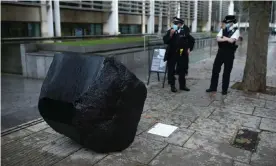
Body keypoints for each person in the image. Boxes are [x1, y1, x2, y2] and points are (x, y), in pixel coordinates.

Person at [206, 15, 240, 95]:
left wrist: (224, 38)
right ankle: (213, 87)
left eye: (227, 22)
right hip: (220, 52)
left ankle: (224, 90)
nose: (226, 24)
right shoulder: (223, 29)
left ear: (231, 22)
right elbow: (217, 38)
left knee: (226, 72)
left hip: (229, 54)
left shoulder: (236, 30)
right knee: (215, 70)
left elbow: (232, 41)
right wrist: (226, 39)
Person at [163, 17, 195, 92]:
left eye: (176, 24)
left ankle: (182, 85)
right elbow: (165, 40)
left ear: (180, 24)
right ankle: (172, 85)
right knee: (171, 69)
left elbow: (192, 40)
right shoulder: (171, 31)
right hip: (172, 52)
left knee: (182, 69)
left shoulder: (185, 31)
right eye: (174, 24)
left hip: (181, 52)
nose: (175, 25)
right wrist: (171, 35)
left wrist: (189, 48)